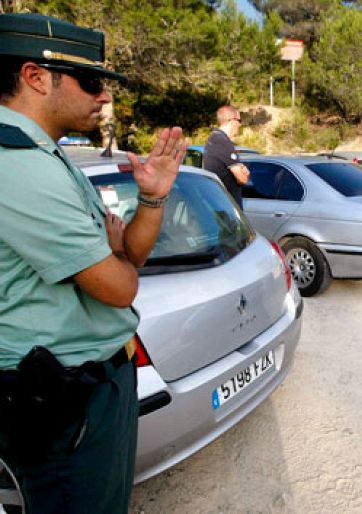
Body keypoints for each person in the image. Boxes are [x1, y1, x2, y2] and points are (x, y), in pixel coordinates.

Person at [0, 13, 186, 513]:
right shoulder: (15, 164)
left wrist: (152, 197)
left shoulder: (46, 155)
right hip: (63, 395)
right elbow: (121, 286)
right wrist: (118, 261)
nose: (103, 96)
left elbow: (133, 255)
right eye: (92, 82)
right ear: (35, 77)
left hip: (94, 381)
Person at [204, 105, 250, 206]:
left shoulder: (216, 138)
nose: (240, 125)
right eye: (239, 120)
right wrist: (243, 174)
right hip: (226, 208)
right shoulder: (221, 141)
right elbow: (242, 178)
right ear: (232, 121)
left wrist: (241, 171)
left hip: (221, 205)